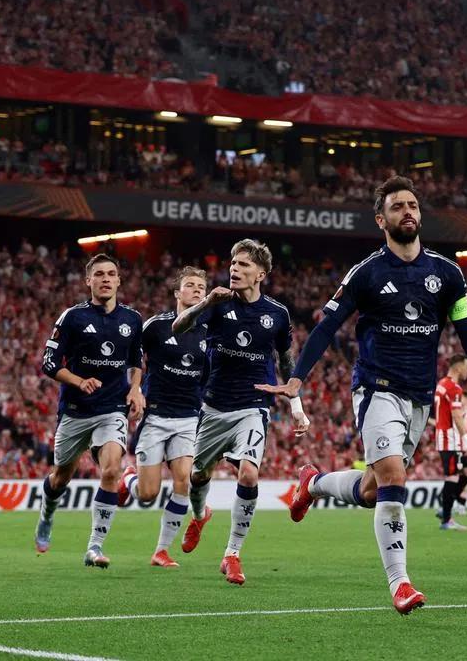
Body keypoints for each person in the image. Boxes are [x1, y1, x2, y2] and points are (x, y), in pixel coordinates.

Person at [257, 176, 467, 614]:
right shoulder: (366, 273)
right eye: (396, 207)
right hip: (376, 388)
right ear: (381, 219)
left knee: (372, 490)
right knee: (392, 476)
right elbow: (327, 327)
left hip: (419, 397)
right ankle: (400, 583)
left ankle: (312, 484)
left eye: (412, 205)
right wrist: (297, 378)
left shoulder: (447, 274)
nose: (407, 211)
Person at [172, 239, 306, 586]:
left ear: (261, 273)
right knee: (197, 477)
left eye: (243, 264)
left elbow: (286, 359)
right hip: (214, 406)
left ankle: (232, 553)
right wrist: (205, 303)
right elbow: (178, 327)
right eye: (233, 263)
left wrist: (296, 404)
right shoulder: (218, 303)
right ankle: (200, 515)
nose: (234, 268)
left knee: (248, 475)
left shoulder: (277, 314)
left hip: (253, 406)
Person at [33, 253, 145, 567]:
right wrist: (79, 381)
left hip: (112, 408)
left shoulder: (132, 319)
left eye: (111, 273)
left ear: (119, 280)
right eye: (99, 274)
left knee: (111, 470)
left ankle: (94, 547)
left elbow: (136, 362)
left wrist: (135, 389)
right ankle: (47, 514)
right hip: (75, 410)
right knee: (60, 478)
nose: (106, 279)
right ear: (89, 281)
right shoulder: (72, 317)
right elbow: (49, 363)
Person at [118, 266, 208, 568]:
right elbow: (133, 357)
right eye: (190, 285)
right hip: (156, 416)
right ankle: (129, 479)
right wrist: (135, 389)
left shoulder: (209, 332)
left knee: (184, 480)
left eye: (201, 286)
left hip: (188, 418)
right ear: (177, 293)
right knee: (147, 494)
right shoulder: (156, 326)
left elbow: (208, 378)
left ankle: (161, 551)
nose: (196, 290)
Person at [432, 354, 467, 531]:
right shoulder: (454, 388)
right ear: (457, 368)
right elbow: (456, 415)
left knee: (460, 474)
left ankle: (445, 510)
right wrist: (466, 439)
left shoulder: (441, 384)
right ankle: (446, 519)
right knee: (453, 476)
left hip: (443, 435)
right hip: (450, 438)